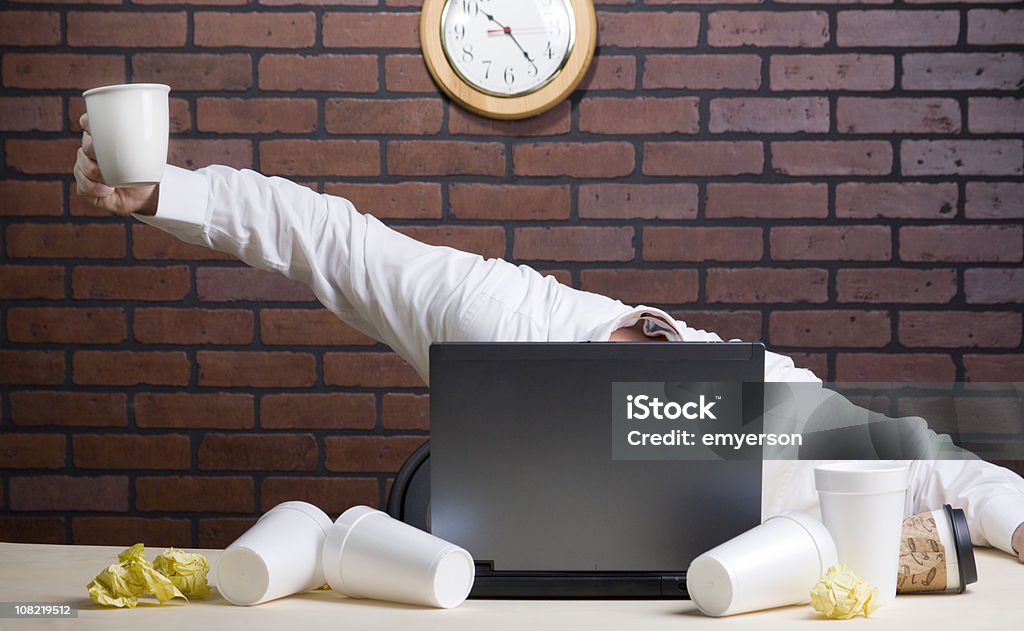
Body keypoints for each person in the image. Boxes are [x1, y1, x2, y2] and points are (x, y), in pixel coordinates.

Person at [73, 114, 1024, 563]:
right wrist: (166, 190)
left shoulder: (767, 398)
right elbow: (331, 239)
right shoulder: (499, 311)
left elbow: (941, 468)